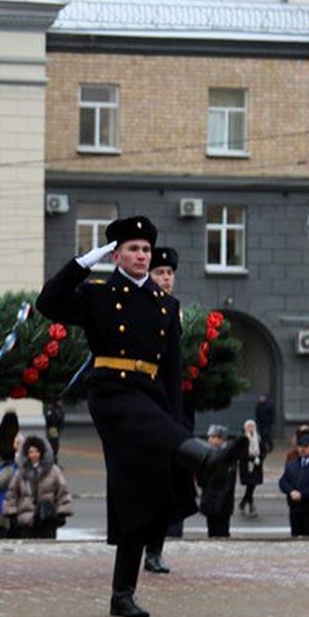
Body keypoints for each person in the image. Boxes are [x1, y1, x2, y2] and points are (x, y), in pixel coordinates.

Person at [36, 214, 245, 617]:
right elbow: (48, 303)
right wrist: (84, 261)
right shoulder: (97, 293)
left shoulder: (166, 304)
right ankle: (203, 458)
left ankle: (122, 594)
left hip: (150, 396)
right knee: (144, 430)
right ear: (116, 255)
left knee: (138, 492)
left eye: (146, 249)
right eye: (133, 248)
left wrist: (179, 423)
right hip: (111, 392)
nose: (142, 255)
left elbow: (171, 372)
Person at [143, 244, 183, 573]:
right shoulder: (135, 306)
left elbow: (176, 369)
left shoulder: (175, 311)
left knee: (166, 484)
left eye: (169, 273)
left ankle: (155, 548)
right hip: (141, 405)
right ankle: (138, 544)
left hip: (169, 408)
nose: (166, 278)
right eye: (160, 273)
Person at [1, 435, 73, 537]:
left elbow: (62, 491)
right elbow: (12, 493)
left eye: (36, 451)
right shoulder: (21, 473)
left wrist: (62, 512)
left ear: (42, 453)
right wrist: (12, 513)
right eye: (31, 452)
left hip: (48, 518)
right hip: (26, 520)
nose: (34, 455)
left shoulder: (53, 470)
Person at [278, 431, 309, 537]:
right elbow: (283, 481)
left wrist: (302, 494)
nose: (302, 449)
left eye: (306, 446)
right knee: (295, 534)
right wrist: (291, 491)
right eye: (300, 446)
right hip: (294, 507)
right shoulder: (292, 465)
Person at [199, 424, 236, 537]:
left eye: (213, 437)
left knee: (221, 532)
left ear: (221, 439)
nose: (209, 439)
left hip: (221, 503)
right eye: (209, 437)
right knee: (211, 532)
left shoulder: (227, 456)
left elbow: (228, 484)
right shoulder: (208, 453)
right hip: (210, 501)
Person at [237, 419, 264, 518]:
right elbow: (240, 453)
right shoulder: (243, 438)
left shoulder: (258, 438)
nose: (250, 428)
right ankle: (250, 506)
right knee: (250, 485)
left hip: (256, 465)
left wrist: (259, 457)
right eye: (248, 426)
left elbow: (263, 450)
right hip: (246, 466)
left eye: (252, 426)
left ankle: (244, 503)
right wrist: (250, 457)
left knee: (252, 485)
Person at [254, 393, 276, 457]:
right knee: (262, 435)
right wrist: (257, 422)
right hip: (261, 423)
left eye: (262, 398)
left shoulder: (269, 404)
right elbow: (257, 413)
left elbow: (272, 413)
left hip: (268, 423)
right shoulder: (258, 405)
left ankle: (268, 446)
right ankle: (264, 447)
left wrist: (271, 420)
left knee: (266, 434)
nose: (260, 399)